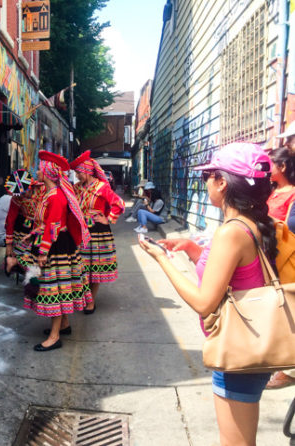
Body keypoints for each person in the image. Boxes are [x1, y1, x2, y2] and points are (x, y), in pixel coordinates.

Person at [139, 142, 277, 445]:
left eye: (208, 177)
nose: (205, 184)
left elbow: (204, 303)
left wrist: (161, 259)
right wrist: (193, 250)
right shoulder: (249, 224)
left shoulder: (232, 232)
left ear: (223, 182)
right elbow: (239, 274)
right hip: (249, 346)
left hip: (238, 352)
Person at [23, 150, 92, 352]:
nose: (36, 171)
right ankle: (65, 325)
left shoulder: (55, 196)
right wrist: (35, 231)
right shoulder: (51, 194)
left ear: (46, 172)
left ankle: (55, 337)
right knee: (60, 287)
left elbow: (53, 226)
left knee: (55, 290)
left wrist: (43, 252)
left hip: (56, 247)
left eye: (39, 168)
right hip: (58, 243)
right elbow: (49, 222)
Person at [70, 150, 125, 313]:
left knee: (94, 269)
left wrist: (108, 218)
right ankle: (84, 297)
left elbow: (119, 203)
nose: (77, 176)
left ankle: (91, 301)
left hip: (98, 233)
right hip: (81, 232)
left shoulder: (102, 187)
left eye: (79, 173)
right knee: (82, 268)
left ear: (87, 171)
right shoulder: (77, 188)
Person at [265, 147, 295, 389]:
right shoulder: (273, 192)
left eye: (271, 164)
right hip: (269, 258)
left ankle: (288, 369)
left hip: (285, 259)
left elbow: (289, 230)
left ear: (282, 167)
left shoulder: (292, 195)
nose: (268, 168)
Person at [4, 169, 39, 274]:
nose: (22, 196)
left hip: (40, 226)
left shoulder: (42, 191)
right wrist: (9, 244)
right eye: (20, 194)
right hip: (25, 228)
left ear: (31, 186)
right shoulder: (17, 198)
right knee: (23, 252)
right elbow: (10, 219)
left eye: (24, 192)